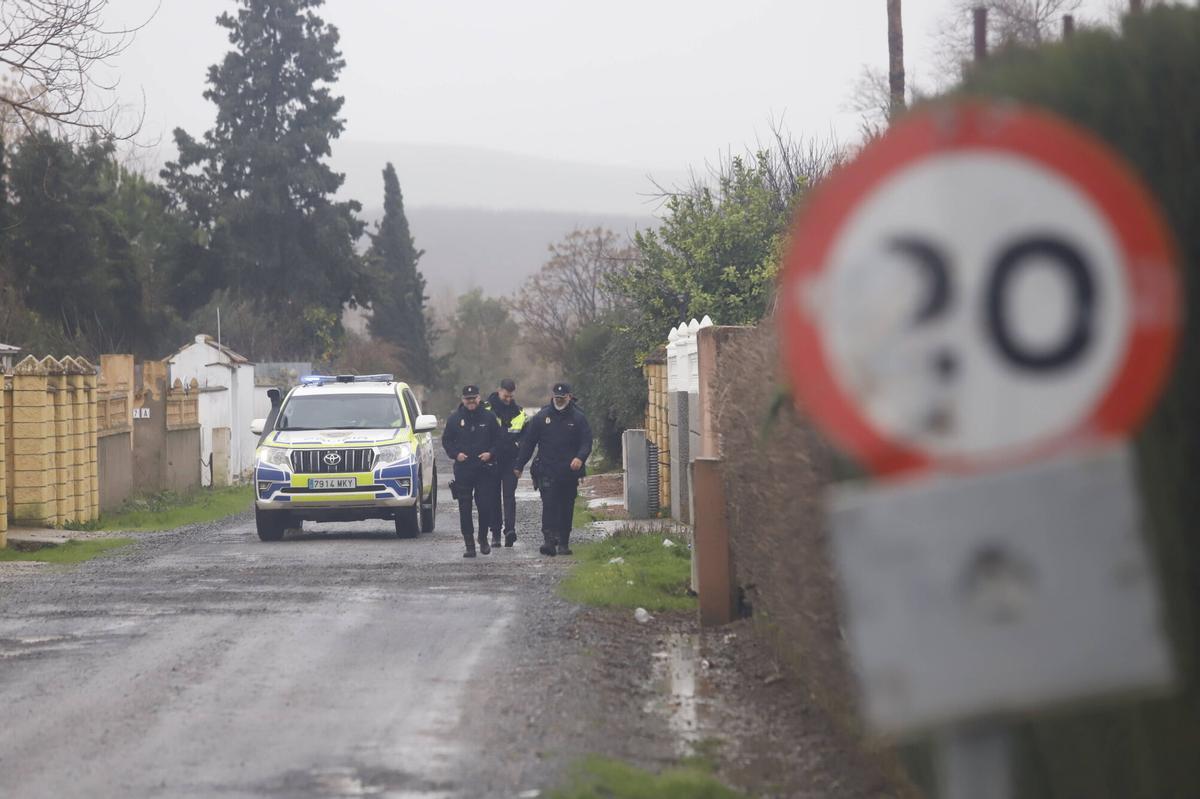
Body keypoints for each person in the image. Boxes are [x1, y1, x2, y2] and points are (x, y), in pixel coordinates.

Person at [514, 382, 592, 556]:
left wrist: (580, 458)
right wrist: (519, 465)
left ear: (569, 397)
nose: (559, 400)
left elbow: (586, 442)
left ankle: (563, 542)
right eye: (557, 397)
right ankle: (548, 541)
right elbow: (529, 443)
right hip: (547, 469)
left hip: (569, 471)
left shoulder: (578, 418)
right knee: (549, 505)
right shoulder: (541, 417)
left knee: (566, 507)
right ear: (552, 397)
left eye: (562, 398)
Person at [441, 385, 501, 557]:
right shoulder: (454, 419)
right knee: (464, 507)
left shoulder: (489, 417)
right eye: (468, 399)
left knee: (485, 506)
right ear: (463, 400)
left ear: (479, 398)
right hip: (464, 469)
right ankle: (469, 544)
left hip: (484, 469)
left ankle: (483, 537)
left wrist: (490, 454)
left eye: (473, 398)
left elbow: (499, 440)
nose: (471, 401)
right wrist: (456, 454)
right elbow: (446, 441)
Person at [484, 378, 526, 548]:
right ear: (499, 391)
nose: (508, 399)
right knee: (493, 497)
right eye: (505, 396)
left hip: (510, 460)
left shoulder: (519, 412)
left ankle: (510, 530)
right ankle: (495, 533)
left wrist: (520, 462)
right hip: (492, 460)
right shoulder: (486, 409)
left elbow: (525, 437)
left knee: (509, 496)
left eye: (511, 396)